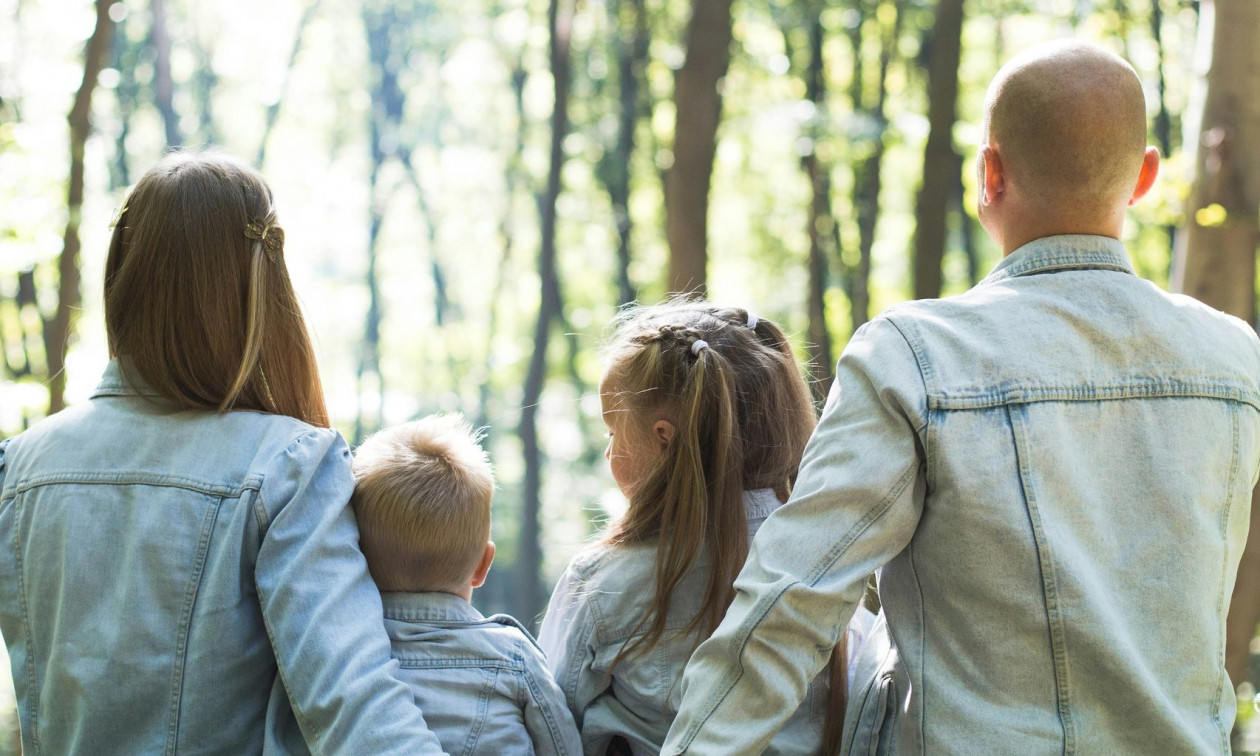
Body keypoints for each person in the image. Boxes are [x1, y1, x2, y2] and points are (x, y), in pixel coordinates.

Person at [661, 40, 1260, 755]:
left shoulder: (915, 358)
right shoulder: (1235, 361)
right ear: (1146, 178)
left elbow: (790, 603)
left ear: (989, 172)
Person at [0, 152, 444, 754]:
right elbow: (358, 713)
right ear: (262, 286)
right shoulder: (287, 466)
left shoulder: (20, 467)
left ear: (122, 277)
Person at [538, 301, 877, 755]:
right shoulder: (831, 571)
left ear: (663, 438)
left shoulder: (601, 585)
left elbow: (549, 726)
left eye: (612, 434)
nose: (607, 452)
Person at [350, 413, 582, 755]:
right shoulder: (513, 657)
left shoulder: (343, 655)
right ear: (483, 564)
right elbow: (564, 749)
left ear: (356, 559)